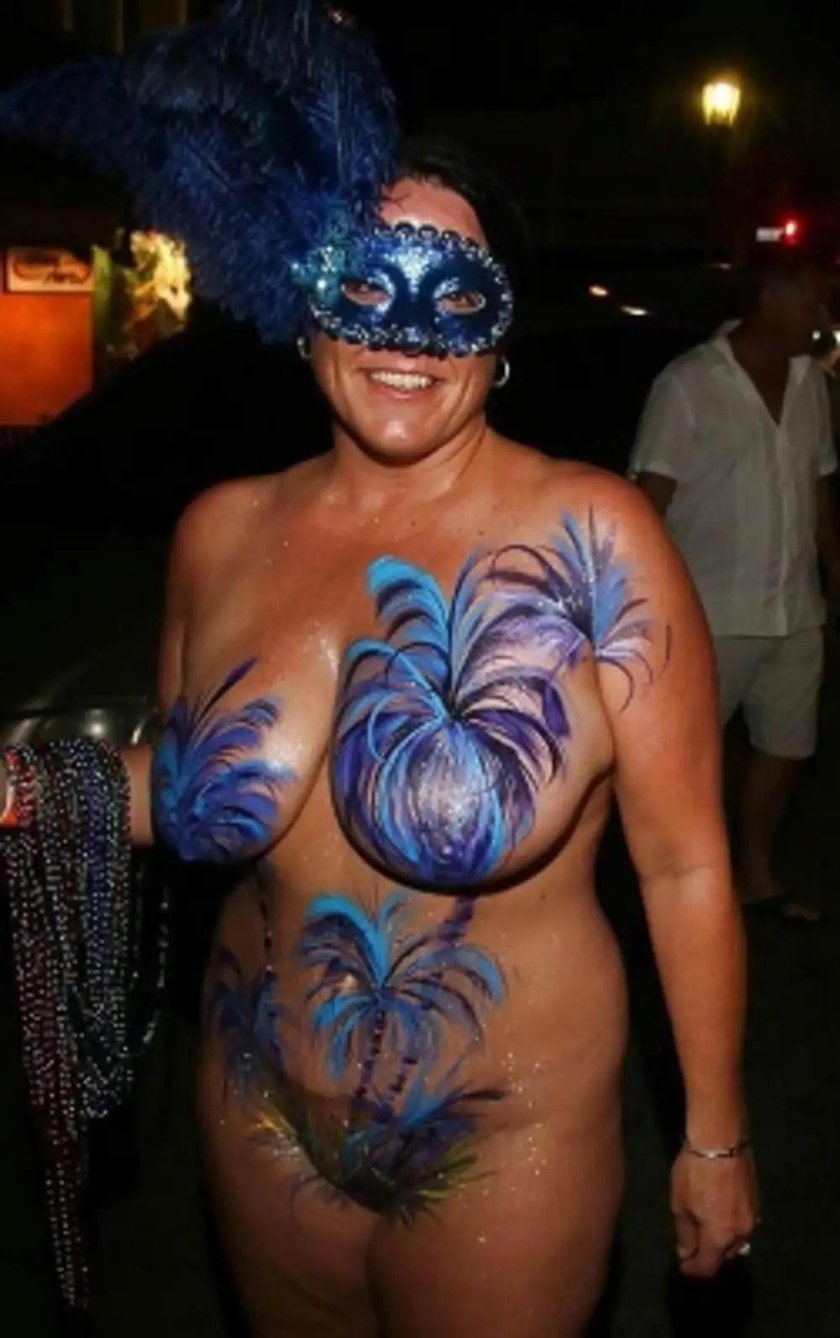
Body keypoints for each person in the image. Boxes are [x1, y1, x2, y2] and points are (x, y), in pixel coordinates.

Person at [0, 4, 756, 1334]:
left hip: (505, 1150)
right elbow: (186, 780)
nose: (409, 337)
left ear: (501, 338)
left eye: (456, 299)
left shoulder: (596, 542)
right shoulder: (220, 532)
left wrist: (714, 1132)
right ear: (304, 306)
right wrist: (27, 784)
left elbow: (686, 864)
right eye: (367, 286)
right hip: (257, 1128)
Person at [630, 249, 840, 923]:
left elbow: (819, 490)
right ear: (771, 300)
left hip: (795, 609)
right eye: (812, 301)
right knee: (687, 761)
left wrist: (832, 580)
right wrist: (643, 606)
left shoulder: (812, 384)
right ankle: (687, 885)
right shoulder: (688, 384)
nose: (823, 316)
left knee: (787, 746)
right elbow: (648, 501)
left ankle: (756, 875)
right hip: (708, 612)